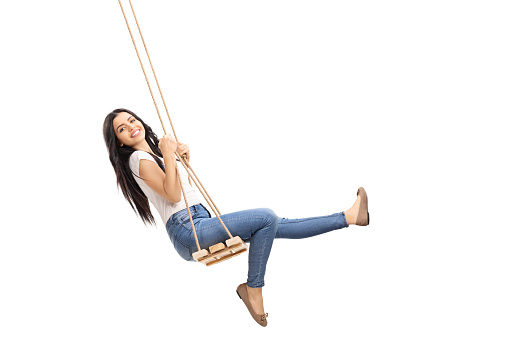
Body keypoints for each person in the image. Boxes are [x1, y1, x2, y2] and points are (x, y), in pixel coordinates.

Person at [103, 108, 370, 327]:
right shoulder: (138, 158)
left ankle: (348, 217)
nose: (130, 126)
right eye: (122, 129)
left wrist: (179, 157)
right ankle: (253, 289)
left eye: (131, 119)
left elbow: (177, 188)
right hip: (187, 230)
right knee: (266, 217)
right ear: (119, 142)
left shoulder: (154, 153)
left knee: (277, 224)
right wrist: (170, 154)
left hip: (198, 220)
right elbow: (173, 196)